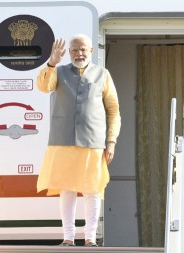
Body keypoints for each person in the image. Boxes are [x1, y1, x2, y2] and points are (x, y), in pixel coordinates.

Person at [36, 34, 121, 247]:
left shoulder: (103, 74)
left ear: (91, 51)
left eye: (83, 49)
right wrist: (52, 62)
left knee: (92, 189)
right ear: (69, 52)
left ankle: (90, 237)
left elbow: (113, 110)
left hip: (93, 142)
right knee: (67, 189)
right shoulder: (59, 71)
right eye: (74, 50)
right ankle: (68, 237)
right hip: (63, 140)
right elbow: (44, 86)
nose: (79, 53)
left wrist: (111, 141)